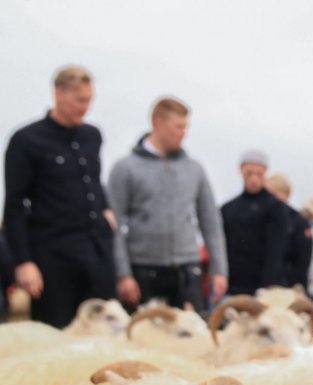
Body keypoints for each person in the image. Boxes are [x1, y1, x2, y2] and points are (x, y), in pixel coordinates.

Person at [2, 65, 117, 328]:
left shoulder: (92, 135)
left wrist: (106, 210)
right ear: (58, 94)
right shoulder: (26, 140)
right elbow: (15, 205)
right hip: (53, 257)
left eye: (89, 100)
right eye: (79, 100)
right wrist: (24, 262)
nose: (85, 107)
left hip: (95, 250)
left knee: (104, 332)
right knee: (57, 332)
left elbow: (93, 181)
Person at [109, 96, 227, 311]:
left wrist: (219, 270)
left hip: (187, 272)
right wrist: (122, 274)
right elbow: (113, 225)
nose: (184, 133)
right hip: (142, 272)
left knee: (193, 341)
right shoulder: (125, 168)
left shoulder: (194, 169)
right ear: (157, 123)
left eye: (186, 127)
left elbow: (210, 222)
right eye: (178, 127)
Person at [220, 150, 289, 295]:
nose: (254, 179)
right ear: (241, 171)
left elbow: (276, 252)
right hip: (234, 288)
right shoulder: (228, 209)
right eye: (249, 173)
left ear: (266, 173)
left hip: (265, 289)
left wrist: (267, 289)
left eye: (259, 174)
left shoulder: (277, 208)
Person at [265, 173, 313, 291]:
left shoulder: (299, 222)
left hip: (287, 288)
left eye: (272, 194)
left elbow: (303, 261)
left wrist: (296, 289)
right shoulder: (260, 219)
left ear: (286, 195)